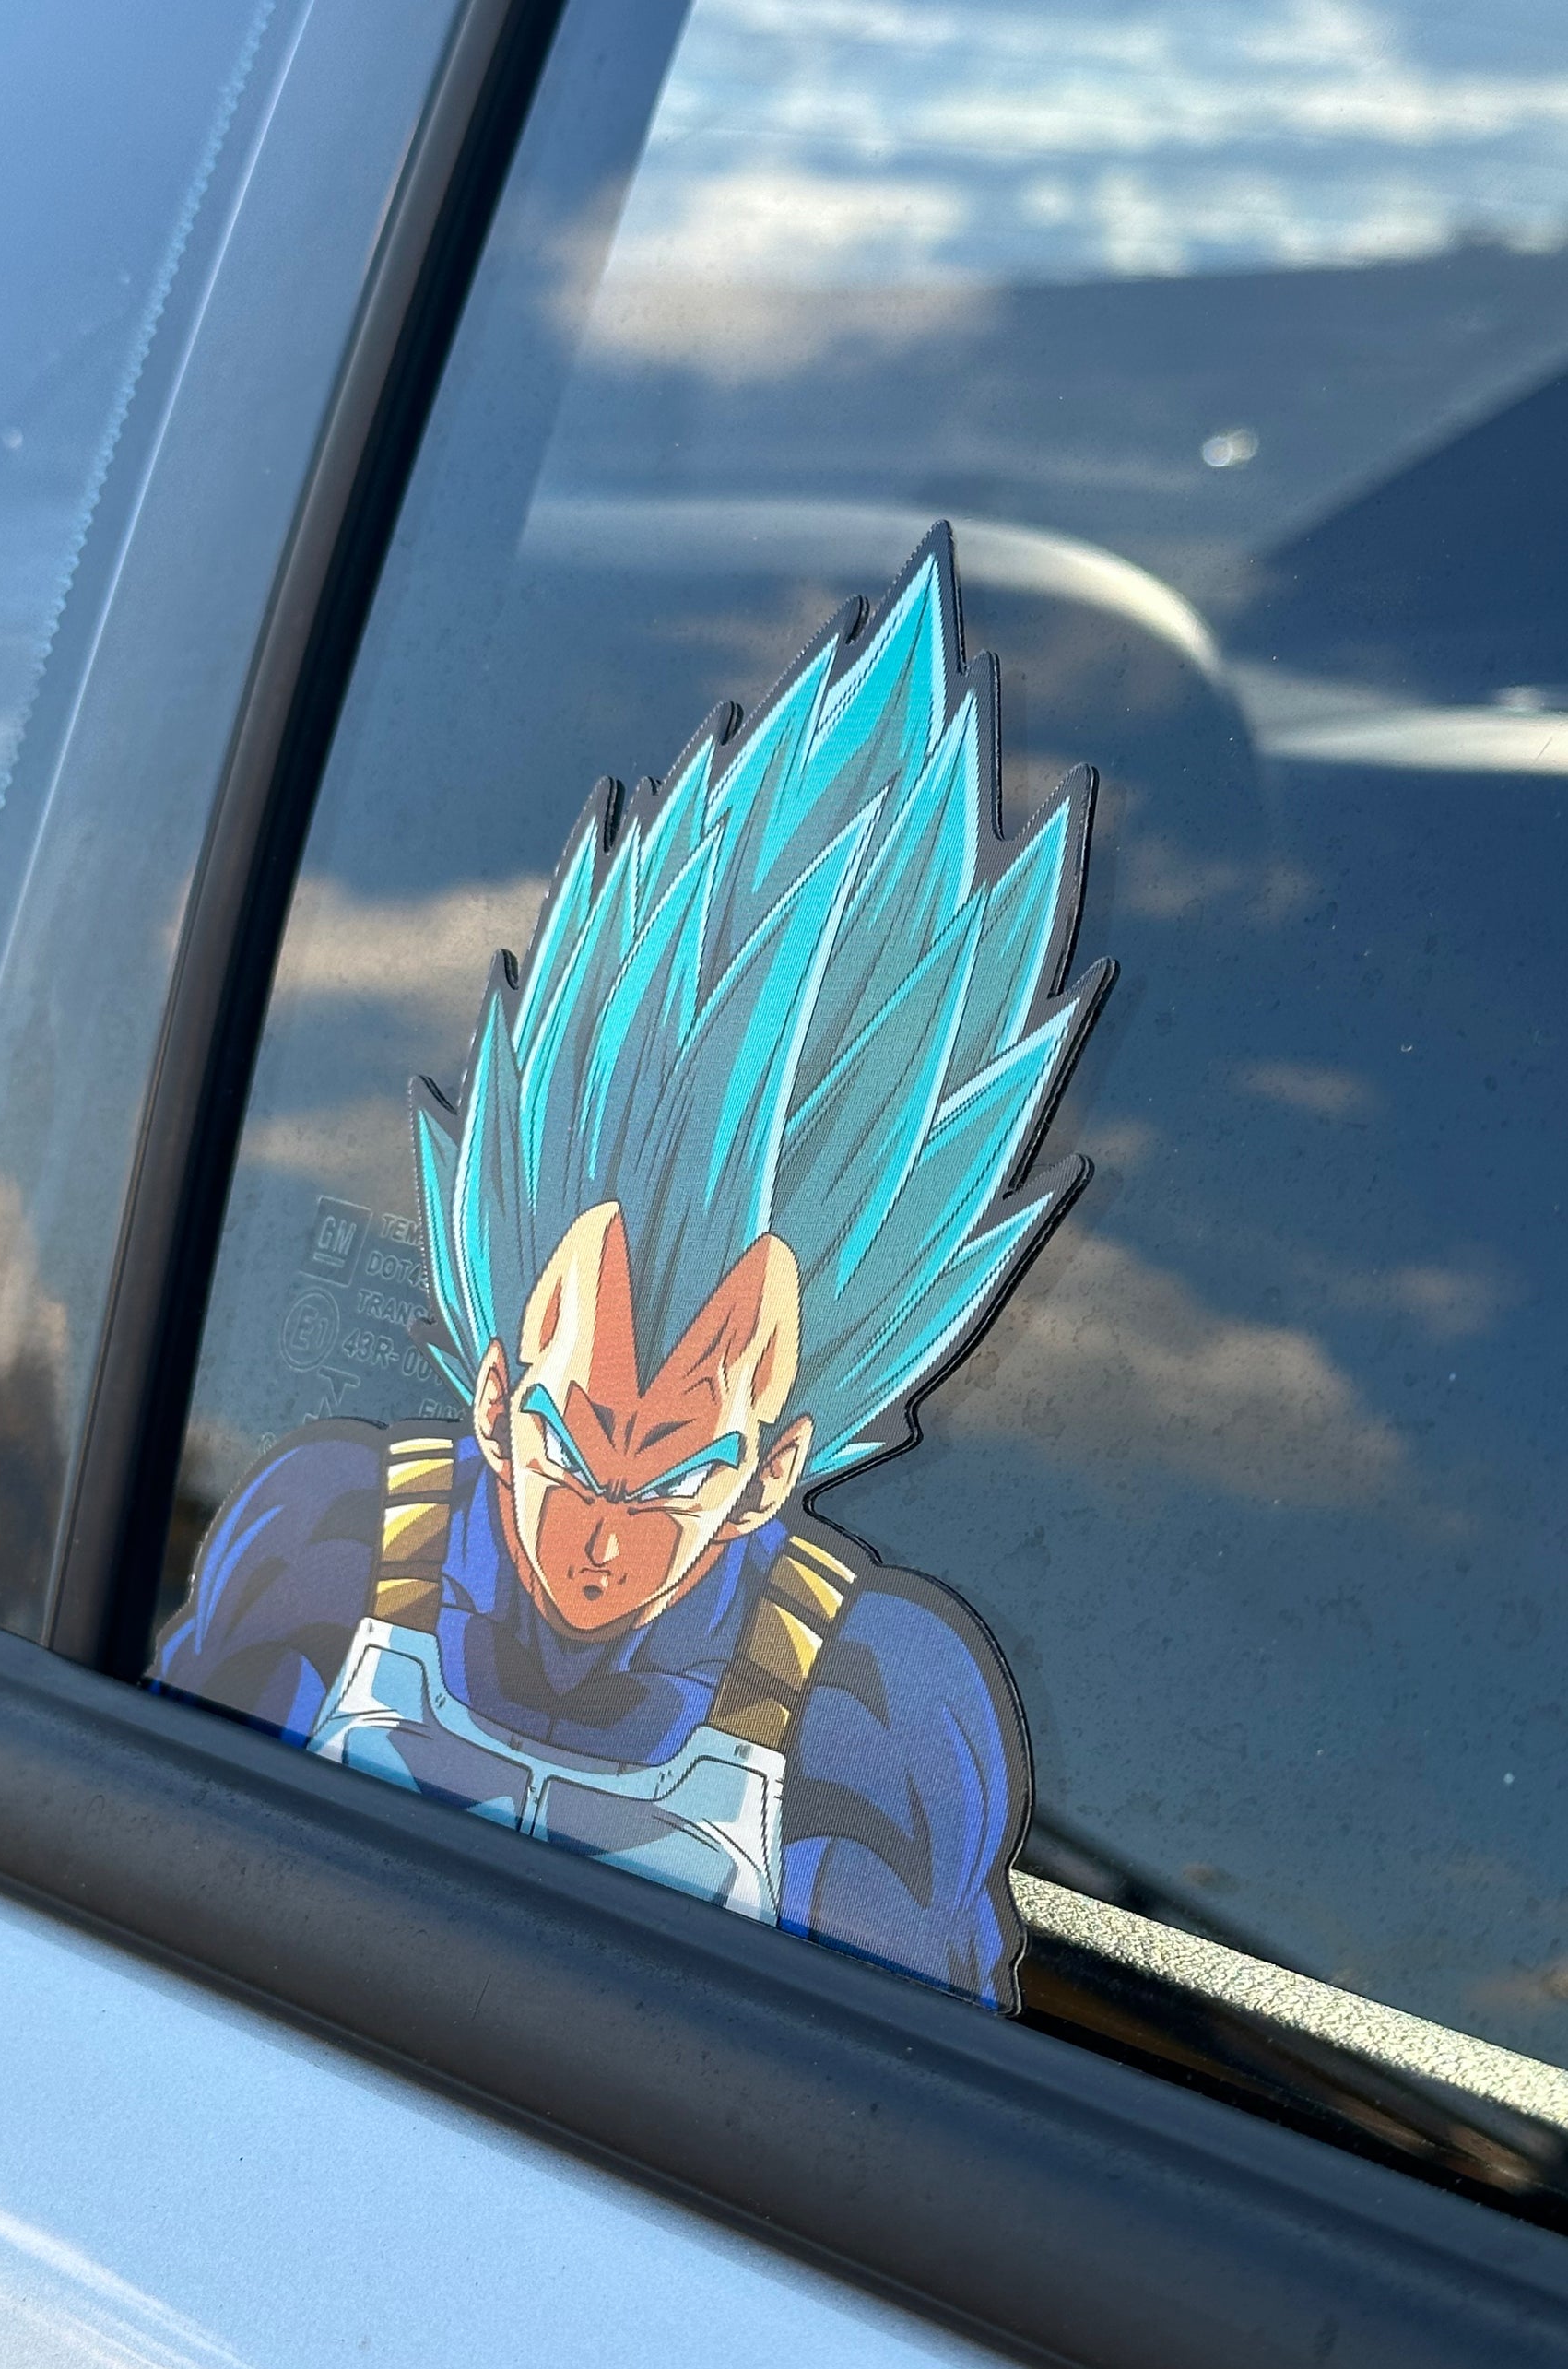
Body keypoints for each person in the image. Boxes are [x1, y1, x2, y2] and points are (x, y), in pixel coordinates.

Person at [152, 524, 1112, 2008]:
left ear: (770, 1470)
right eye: (572, 1446)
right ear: (493, 1397)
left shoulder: (872, 1698)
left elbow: (895, 2096)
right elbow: (155, 1882)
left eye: (668, 1479)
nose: (599, 1535)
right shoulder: (332, 1540)